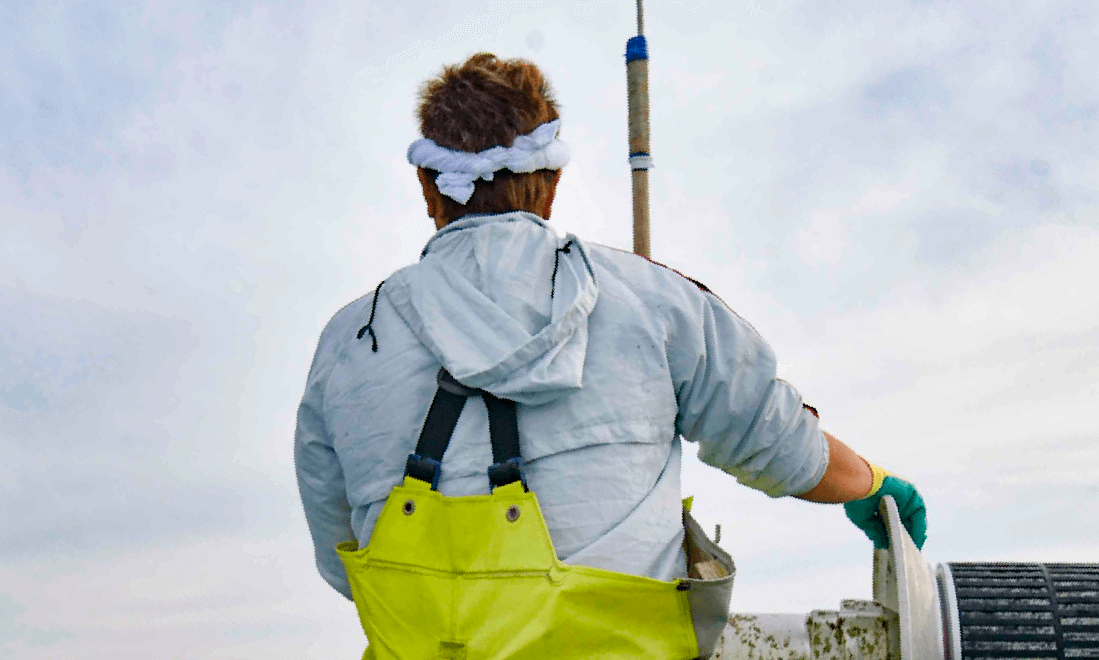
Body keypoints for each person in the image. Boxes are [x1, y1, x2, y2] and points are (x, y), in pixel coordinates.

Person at [295, 52, 927, 660]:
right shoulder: (652, 299)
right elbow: (777, 441)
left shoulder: (348, 341)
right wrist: (870, 485)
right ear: (551, 185)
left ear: (428, 187)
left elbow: (343, 556)